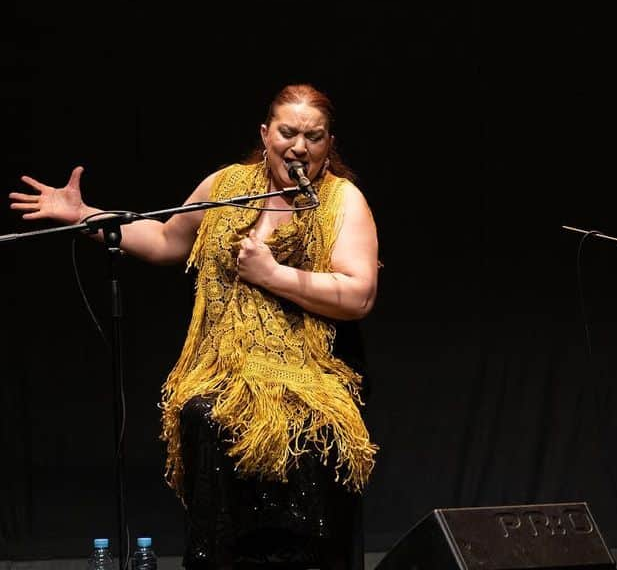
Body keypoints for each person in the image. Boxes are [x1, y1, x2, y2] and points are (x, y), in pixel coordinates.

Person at [9, 84, 379, 569]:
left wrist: (273, 275)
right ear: (266, 135)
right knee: (204, 414)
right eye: (288, 132)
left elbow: (359, 294)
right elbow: (165, 239)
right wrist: (86, 216)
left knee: (301, 432)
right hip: (222, 365)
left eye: (314, 136)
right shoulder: (225, 186)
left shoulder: (341, 200)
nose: (299, 147)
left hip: (310, 371)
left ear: (329, 144)